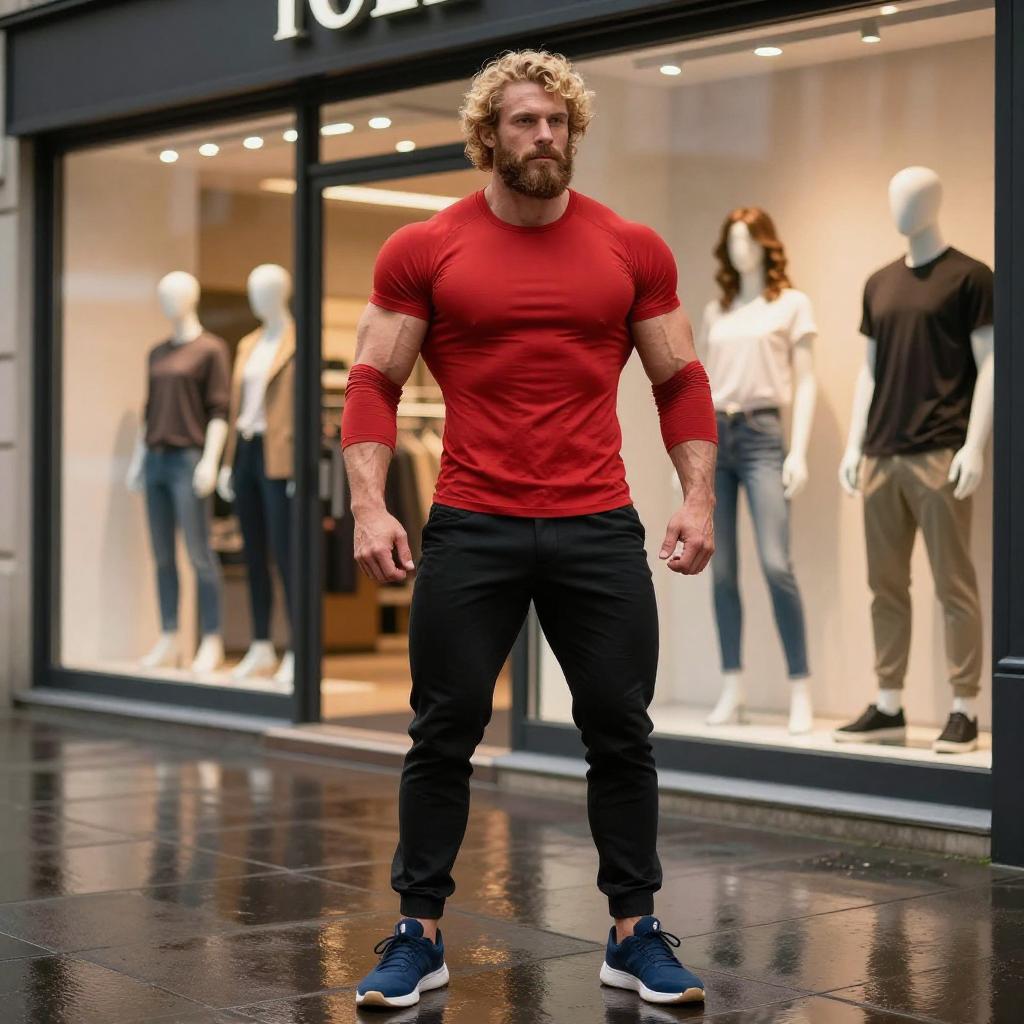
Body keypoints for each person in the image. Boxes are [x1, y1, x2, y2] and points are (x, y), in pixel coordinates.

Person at [341, 50, 718, 1011]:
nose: (544, 136)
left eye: (557, 121)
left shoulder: (631, 247)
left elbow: (680, 382)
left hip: (596, 522)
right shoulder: (423, 248)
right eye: (523, 121)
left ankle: (635, 934)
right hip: (473, 522)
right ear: (487, 136)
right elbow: (373, 385)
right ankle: (416, 934)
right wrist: (373, 505)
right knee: (443, 732)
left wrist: (698, 496)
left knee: (621, 733)